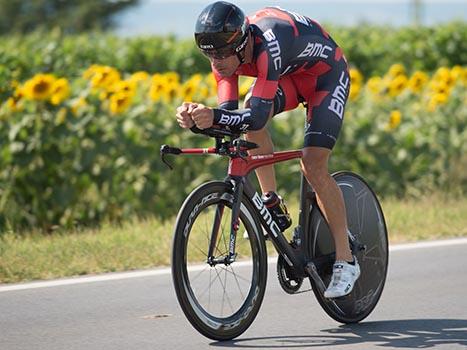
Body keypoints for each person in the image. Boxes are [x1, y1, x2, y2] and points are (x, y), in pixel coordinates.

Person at [175, 1, 360, 299]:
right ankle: (270, 199)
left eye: (222, 54)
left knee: (312, 163)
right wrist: (196, 121)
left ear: (241, 43)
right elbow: (230, 118)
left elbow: (257, 117)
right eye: (209, 54)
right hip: (291, 76)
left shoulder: (267, 43)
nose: (217, 61)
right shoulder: (223, 55)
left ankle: (346, 259)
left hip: (327, 76)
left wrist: (214, 116)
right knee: (247, 116)